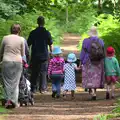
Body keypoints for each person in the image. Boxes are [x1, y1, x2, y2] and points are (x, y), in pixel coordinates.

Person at [0, 24, 24, 108]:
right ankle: (14, 101)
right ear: (19, 31)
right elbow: (23, 54)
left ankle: (7, 101)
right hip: (17, 62)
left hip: (6, 61)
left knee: (6, 82)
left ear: (11, 30)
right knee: (15, 82)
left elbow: (1, 51)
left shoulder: (5, 38)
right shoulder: (21, 39)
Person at [27, 16, 53, 93]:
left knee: (34, 72)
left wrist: (27, 54)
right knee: (43, 72)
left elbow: (28, 44)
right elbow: (50, 44)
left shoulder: (33, 32)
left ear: (37, 22)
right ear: (44, 23)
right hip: (44, 55)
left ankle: (33, 88)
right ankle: (42, 88)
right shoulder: (47, 32)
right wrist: (51, 53)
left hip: (35, 55)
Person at [80, 26, 105, 100]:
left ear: (90, 33)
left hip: (88, 60)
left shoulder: (85, 41)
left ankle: (91, 90)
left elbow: (83, 52)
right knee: (96, 77)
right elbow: (103, 52)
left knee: (89, 76)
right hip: (98, 61)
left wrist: (81, 61)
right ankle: (94, 91)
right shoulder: (101, 41)